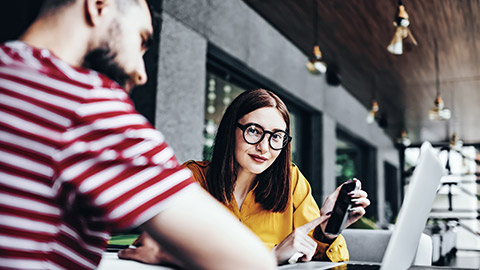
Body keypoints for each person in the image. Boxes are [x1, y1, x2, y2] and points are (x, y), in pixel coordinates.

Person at [0, 1, 276, 269]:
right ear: (98, 6)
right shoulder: (84, 101)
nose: (141, 73)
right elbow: (252, 263)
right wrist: (170, 254)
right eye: (142, 40)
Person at [119, 89, 371, 266]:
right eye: (253, 131)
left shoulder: (292, 181)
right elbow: (153, 248)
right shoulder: (193, 178)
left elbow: (318, 260)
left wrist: (327, 232)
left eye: (276, 136)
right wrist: (270, 255)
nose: (264, 147)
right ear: (232, 129)